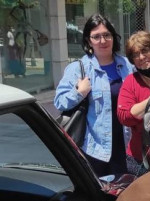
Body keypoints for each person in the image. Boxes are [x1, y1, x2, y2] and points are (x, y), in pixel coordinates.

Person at [54, 14, 134, 176]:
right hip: (95, 149)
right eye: (96, 37)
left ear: (113, 37)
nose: (102, 41)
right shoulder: (78, 68)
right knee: (99, 196)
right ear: (89, 41)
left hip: (127, 146)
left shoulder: (127, 65)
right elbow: (59, 102)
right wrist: (79, 93)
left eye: (106, 35)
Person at [117, 31, 150, 175]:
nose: (141, 57)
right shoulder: (131, 82)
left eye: (145, 51)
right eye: (135, 55)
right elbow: (124, 116)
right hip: (140, 160)